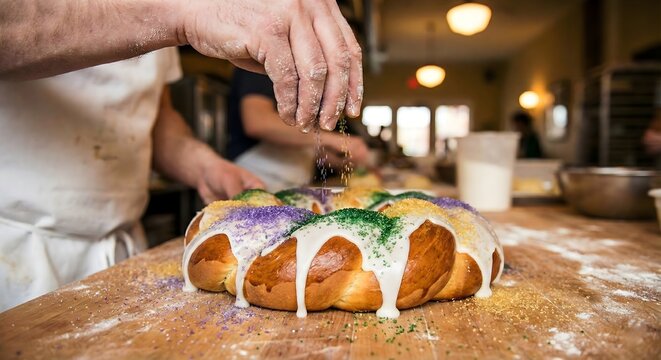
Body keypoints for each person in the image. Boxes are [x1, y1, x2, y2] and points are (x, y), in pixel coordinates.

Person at [0, 0, 364, 311]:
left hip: (122, 246)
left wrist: (205, 166)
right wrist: (184, 10)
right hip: (17, 247)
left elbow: (153, 119)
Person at [228, 68, 369, 190]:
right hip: (259, 180)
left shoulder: (307, 78)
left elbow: (301, 143)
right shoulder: (262, 64)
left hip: (296, 184)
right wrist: (332, 139)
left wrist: (339, 163)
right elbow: (258, 121)